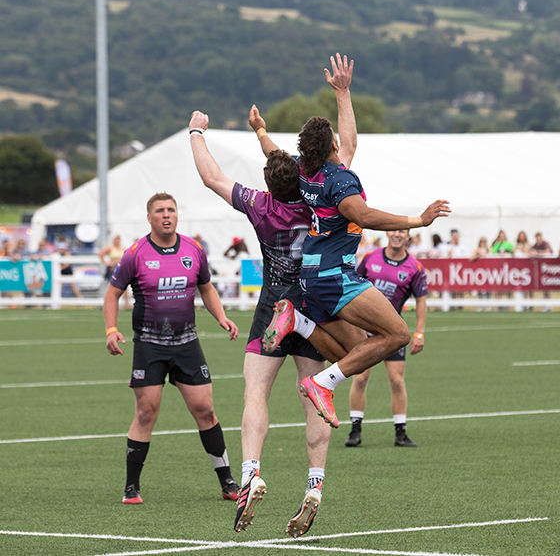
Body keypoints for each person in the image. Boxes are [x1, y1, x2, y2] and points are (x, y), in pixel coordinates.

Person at [189, 53, 355, 538]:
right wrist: (342, 92)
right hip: (314, 308)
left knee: (255, 393)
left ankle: (251, 474)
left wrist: (197, 132)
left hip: (272, 308)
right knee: (314, 394)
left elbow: (211, 177)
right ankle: (314, 486)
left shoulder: (260, 205)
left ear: (268, 181)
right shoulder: (317, 191)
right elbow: (346, 146)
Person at [261, 59, 451, 429]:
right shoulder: (339, 181)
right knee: (397, 334)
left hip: (311, 276)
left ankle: (296, 321)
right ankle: (321, 384)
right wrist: (418, 220)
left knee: (355, 353)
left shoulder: (307, 171)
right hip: (334, 275)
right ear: (331, 145)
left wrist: (341, 92)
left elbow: (279, 153)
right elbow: (362, 215)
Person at [103, 192, 240, 506]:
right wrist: (111, 329)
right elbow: (112, 294)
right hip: (149, 345)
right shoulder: (135, 253)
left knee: (206, 410)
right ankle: (131, 487)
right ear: (149, 217)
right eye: (160, 211)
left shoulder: (194, 249)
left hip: (187, 343)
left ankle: (227, 481)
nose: (166, 215)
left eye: (171, 210)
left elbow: (206, 287)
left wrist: (221, 317)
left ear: (177, 215)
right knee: (145, 412)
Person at [344, 228, 428, 448]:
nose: (398, 234)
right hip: (365, 329)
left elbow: (421, 300)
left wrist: (419, 333)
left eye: (403, 231)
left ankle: (401, 433)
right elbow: (352, 286)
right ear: (388, 233)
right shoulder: (370, 258)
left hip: (393, 332)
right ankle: (355, 430)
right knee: (359, 378)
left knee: (397, 381)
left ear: (408, 237)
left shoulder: (415, 267)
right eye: (395, 230)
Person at [99, 234, 130, 307]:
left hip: (121, 268)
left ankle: (126, 303)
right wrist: (106, 262)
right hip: (113, 269)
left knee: (125, 286)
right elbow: (100, 254)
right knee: (113, 286)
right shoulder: (110, 248)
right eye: (116, 239)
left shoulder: (122, 248)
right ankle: (110, 303)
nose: (117, 241)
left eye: (118, 239)